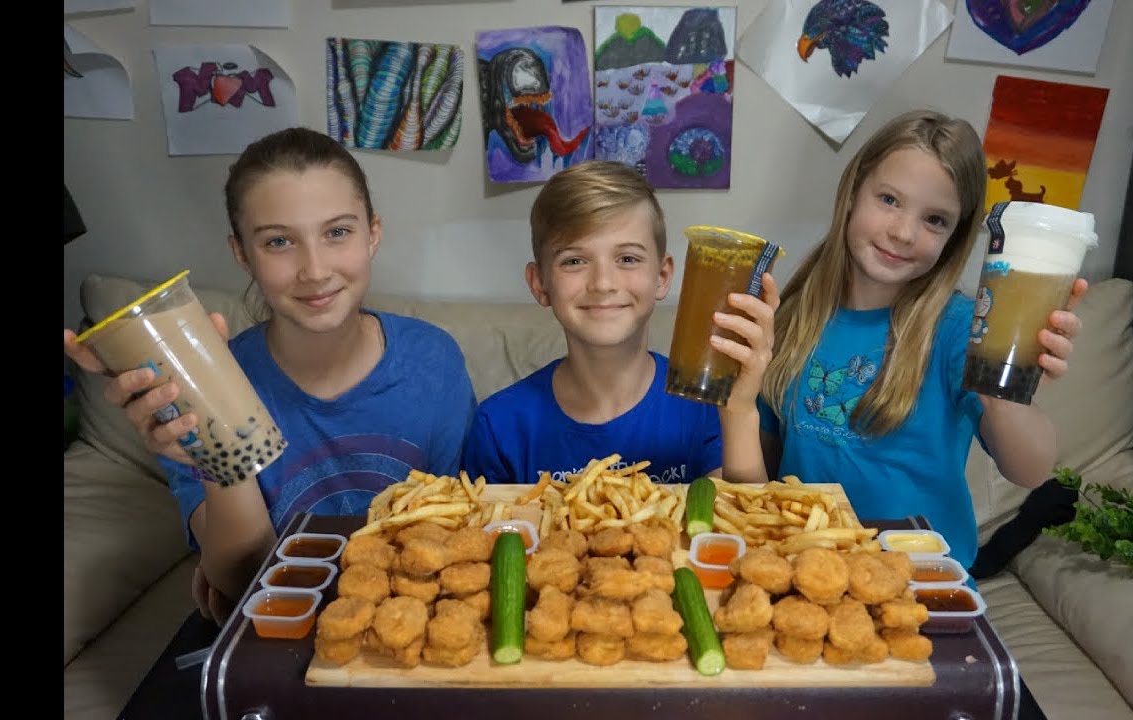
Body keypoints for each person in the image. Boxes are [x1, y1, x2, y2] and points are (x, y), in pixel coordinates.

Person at [62, 127, 476, 622]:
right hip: (279, 636)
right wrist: (215, 449)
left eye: (337, 232)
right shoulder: (193, 391)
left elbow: (461, 536)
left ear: (373, 234)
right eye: (279, 241)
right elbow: (243, 584)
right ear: (242, 253)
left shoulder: (434, 361)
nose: (315, 270)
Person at [725, 109, 1087, 572]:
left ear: (954, 237)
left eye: (935, 220)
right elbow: (763, 475)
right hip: (814, 573)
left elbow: (1031, 470)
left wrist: (1005, 394)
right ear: (852, 192)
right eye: (889, 199)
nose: (903, 233)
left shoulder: (960, 329)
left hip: (925, 581)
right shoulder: (793, 313)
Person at [461, 160, 778, 485]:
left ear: (662, 276)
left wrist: (739, 411)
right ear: (540, 283)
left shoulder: (704, 406)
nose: (603, 283)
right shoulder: (498, 426)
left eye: (627, 259)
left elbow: (743, 515)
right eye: (574, 261)